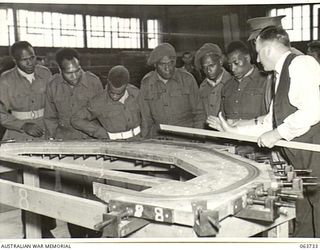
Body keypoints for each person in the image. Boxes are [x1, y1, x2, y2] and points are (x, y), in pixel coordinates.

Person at [207, 26, 320, 238]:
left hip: (316, 157)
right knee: (305, 216)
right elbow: (270, 122)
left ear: (267, 50)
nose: (257, 59)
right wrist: (232, 130)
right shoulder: (278, 76)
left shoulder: (301, 64)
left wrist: (277, 134)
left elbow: (314, 110)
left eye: (258, 52)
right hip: (301, 162)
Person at [44, 47, 103, 238]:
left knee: (96, 193)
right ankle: (77, 238)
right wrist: (56, 142)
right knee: (72, 197)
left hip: (92, 146)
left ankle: (95, 237)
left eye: (78, 70)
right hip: (67, 147)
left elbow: (102, 114)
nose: (75, 76)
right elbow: (50, 117)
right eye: (69, 72)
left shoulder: (93, 82)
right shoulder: (53, 84)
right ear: (60, 70)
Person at [0, 41, 56, 238]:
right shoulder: (5, 80)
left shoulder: (46, 74)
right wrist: (22, 125)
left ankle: (47, 227)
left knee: (48, 182)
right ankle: (31, 232)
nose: (30, 62)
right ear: (15, 61)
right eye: (24, 60)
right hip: (20, 136)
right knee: (27, 185)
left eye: (32, 57)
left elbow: (53, 102)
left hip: (46, 134)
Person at [139, 43, 205, 138]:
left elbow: (199, 113)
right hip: (160, 140)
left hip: (186, 138)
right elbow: (146, 119)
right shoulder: (147, 83)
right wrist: (146, 141)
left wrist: (199, 138)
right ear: (155, 65)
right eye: (162, 64)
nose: (168, 68)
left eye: (171, 63)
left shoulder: (187, 79)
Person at [71, 65, 141, 140]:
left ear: (126, 85)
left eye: (119, 94)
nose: (114, 96)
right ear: (108, 82)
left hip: (138, 140)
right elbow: (76, 119)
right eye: (111, 92)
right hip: (114, 144)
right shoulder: (98, 102)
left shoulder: (136, 93)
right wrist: (99, 132)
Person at [221, 40, 269, 122]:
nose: (232, 69)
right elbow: (223, 118)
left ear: (247, 58)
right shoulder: (226, 87)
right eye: (229, 65)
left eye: (236, 63)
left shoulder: (265, 82)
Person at [194, 43, 232, 118]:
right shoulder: (202, 87)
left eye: (211, 65)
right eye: (204, 67)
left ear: (220, 62)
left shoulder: (232, 82)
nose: (208, 70)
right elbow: (199, 114)